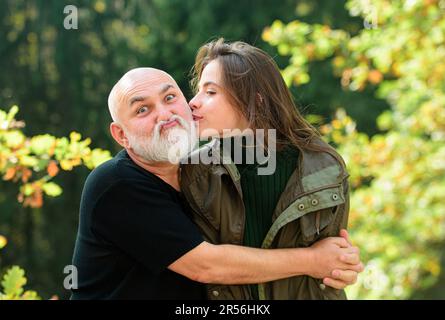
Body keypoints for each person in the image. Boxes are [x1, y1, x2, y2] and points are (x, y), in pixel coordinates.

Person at [71, 67, 363, 299]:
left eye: (170, 97)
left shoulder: (208, 174)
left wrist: (337, 266)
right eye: (142, 110)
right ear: (121, 135)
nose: (164, 114)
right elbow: (207, 265)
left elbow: (258, 252)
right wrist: (313, 261)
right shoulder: (115, 184)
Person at [182, 38, 355, 299]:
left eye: (210, 92)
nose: (192, 102)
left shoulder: (324, 167)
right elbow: (201, 266)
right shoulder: (194, 173)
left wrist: (344, 265)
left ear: (257, 100)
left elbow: (335, 265)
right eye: (198, 91)